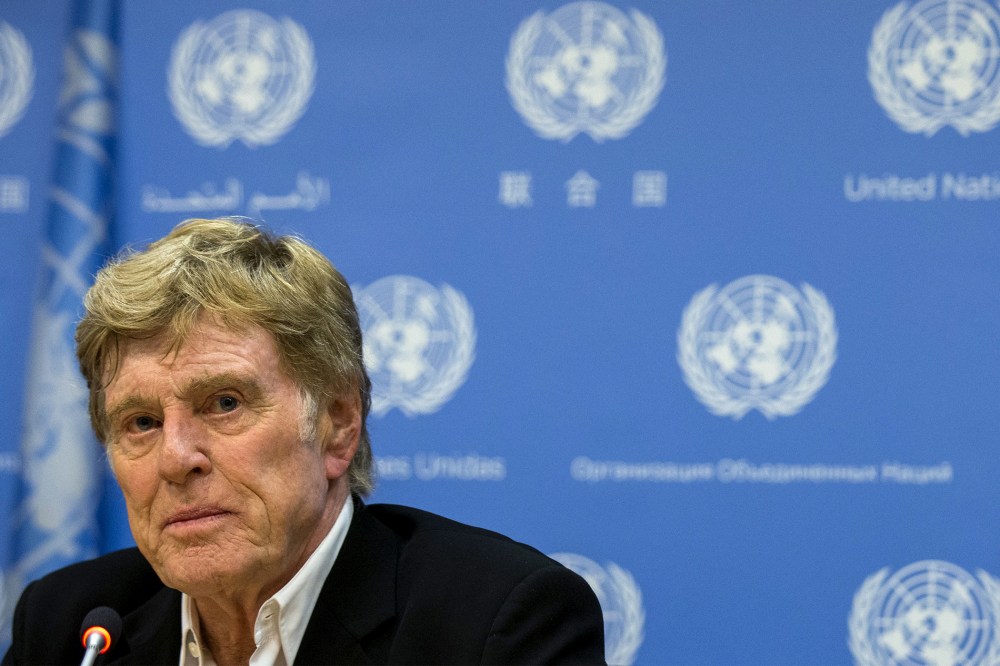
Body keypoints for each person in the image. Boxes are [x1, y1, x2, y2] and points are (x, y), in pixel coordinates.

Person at [3, 218, 606, 665]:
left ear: (338, 424)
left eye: (225, 403)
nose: (175, 458)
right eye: (140, 422)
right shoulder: (69, 628)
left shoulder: (494, 626)